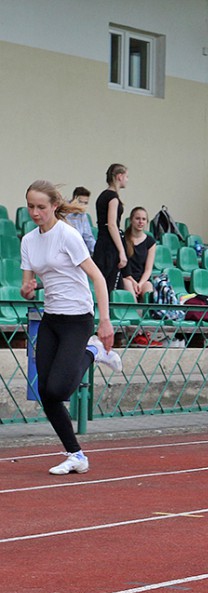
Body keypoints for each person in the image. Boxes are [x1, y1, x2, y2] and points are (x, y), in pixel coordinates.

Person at [20, 180, 122, 476]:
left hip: (78, 318)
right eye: (30, 206)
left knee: (60, 388)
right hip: (51, 317)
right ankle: (76, 455)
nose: (35, 212)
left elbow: (98, 278)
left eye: (41, 207)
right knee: (45, 392)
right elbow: (28, 283)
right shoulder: (28, 241)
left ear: (54, 206)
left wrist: (105, 321)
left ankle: (93, 351)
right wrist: (28, 289)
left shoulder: (68, 235)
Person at [94, 163, 129, 298]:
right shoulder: (112, 198)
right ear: (119, 177)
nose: (127, 180)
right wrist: (121, 251)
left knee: (103, 283)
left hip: (102, 243)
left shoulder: (103, 196)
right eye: (126, 176)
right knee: (110, 286)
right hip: (109, 246)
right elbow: (112, 225)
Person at [120, 207, 156, 303]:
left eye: (143, 219)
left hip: (142, 280)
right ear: (131, 220)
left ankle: (149, 316)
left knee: (148, 287)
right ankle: (135, 314)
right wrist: (133, 282)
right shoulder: (123, 239)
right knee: (127, 284)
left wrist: (140, 284)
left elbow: (148, 270)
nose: (141, 222)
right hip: (126, 278)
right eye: (137, 218)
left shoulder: (150, 242)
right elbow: (123, 268)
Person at [64, 187, 95, 253]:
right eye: (80, 202)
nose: (83, 206)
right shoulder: (63, 212)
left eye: (86, 203)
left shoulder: (83, 215)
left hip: (79, 251)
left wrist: (97, 251)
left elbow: (88, 237)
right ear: (74, 199)